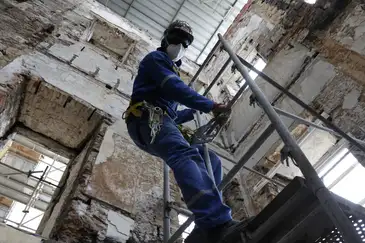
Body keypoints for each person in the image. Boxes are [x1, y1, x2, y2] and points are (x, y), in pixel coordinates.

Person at [125, 20, 240, 243]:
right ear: (165, 39)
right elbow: (174, 88)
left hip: (158, 119)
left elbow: (174, 114)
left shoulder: (169, 69)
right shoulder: (156, 59)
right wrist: (210, 106)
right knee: (184, 155)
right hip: (147, 118)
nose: (180, 45)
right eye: (176, 39)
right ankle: (215, 222)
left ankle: (205, 223)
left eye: (185, 42)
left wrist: (198, 113)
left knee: (211, 160)